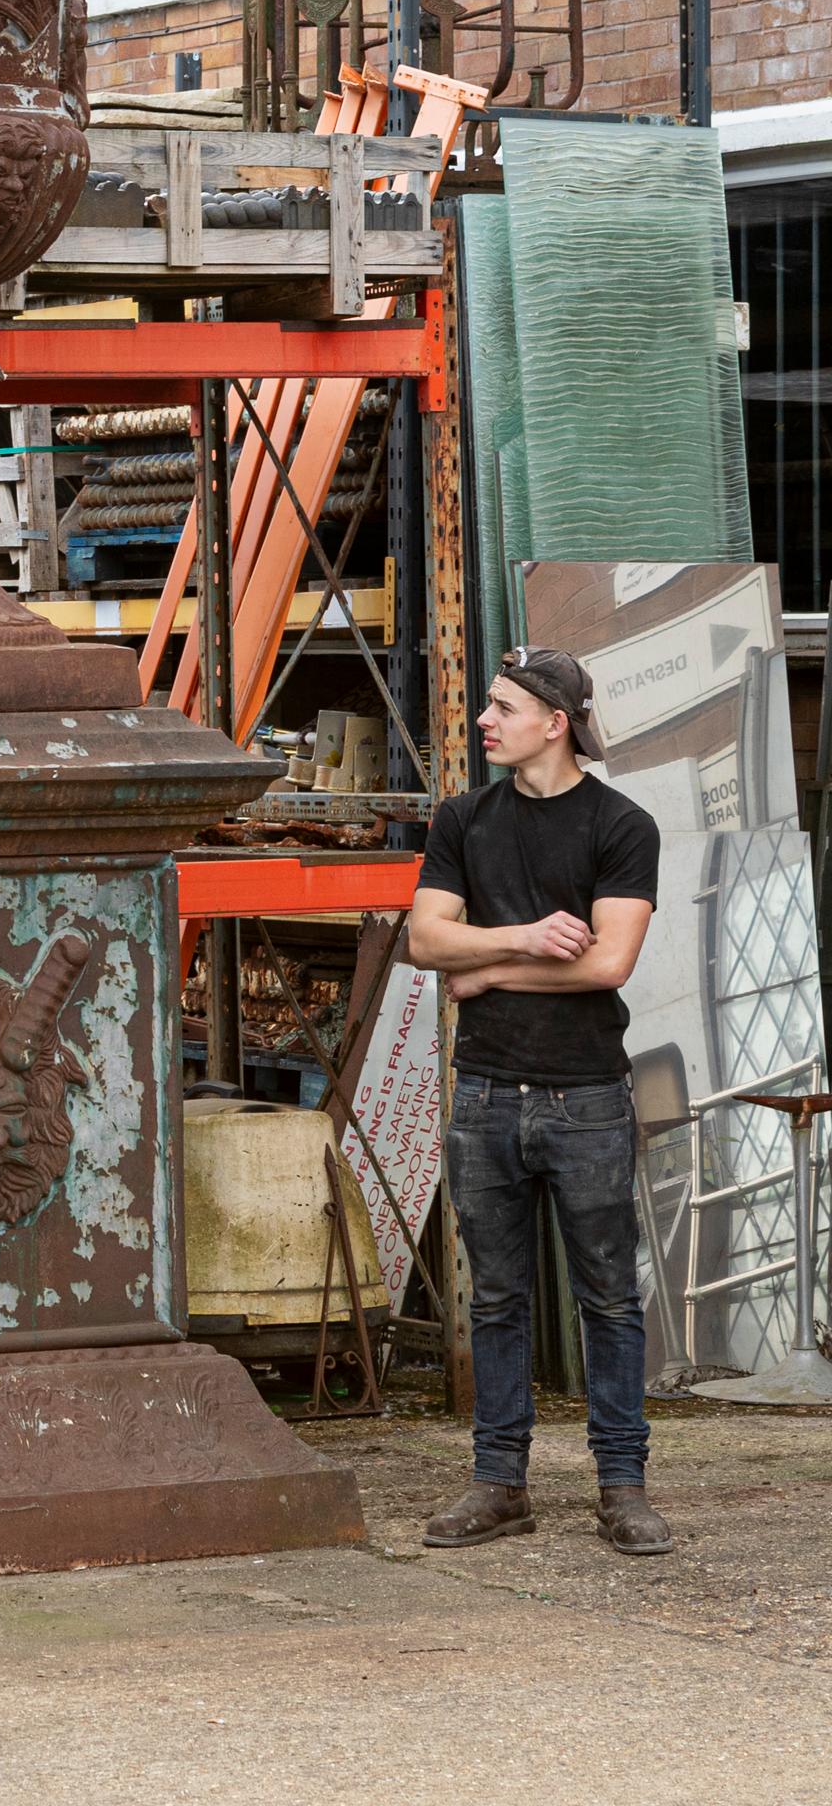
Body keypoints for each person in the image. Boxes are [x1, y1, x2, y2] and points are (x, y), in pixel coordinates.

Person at [405, 646, 668, 1556]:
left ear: (555, 723)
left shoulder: (622, 825)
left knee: (609, 1302)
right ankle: (499, 1484)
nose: (486, 719)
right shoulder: (463, 820)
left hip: (588, 1095)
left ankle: (623, 1487)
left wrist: (485, 972)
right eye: (488, 704)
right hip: (485, 1095)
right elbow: (423, 943)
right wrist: (516, 941)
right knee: (497, 1302)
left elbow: (608, 963)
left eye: (504, 706)